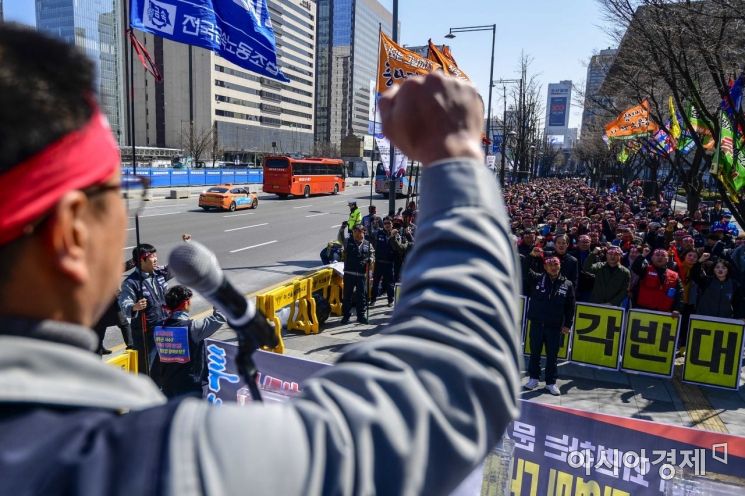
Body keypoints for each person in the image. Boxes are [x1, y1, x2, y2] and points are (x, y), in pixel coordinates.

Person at [0, 27, 520, 495]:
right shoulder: (146, 465)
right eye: (121, 192)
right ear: (71, 233)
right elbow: (453, 392)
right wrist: (454, 155)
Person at [155, 286, 227, 398]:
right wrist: (216, 299)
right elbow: (220, 317)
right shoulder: (193, 328)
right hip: (190, 387)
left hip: (168, 385)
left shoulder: (159, 327)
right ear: (185, 303)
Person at [118, 243, 173, 377]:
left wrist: (186, 247)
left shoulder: (160, 273)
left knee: (167, 363)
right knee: (148, 367)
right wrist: (134, 307)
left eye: (155, 256)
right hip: (146, 332)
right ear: (142, 260)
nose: (156, 259)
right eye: (152, 256)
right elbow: (124, 304)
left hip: (165, 327)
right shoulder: (131, 282)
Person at [524, 254, 575, 396]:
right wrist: (531, 256)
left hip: (555, 327)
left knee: (552, 356)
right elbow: (524, 269)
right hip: (537, 324)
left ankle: (550, 382)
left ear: (560, 266)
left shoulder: (567, 284)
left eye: (556, 265)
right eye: (550, 265)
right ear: (545, 267)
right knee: (534, 353)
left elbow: (570, 307)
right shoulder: (537, 279)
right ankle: (533, 378)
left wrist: (567, 325)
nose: (553, 268)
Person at [337, 223, 375, 324]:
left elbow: (372, 254)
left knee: (361, 296)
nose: (358, 234)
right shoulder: (347, 241)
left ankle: (361, 316)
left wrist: (370, 260)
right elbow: (340, 238)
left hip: (362, 275)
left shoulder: (368, 244)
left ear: (364, 232)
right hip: (349, 274)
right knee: (347, 296)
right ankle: (346, 316)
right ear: (353, 232)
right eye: (355, 232)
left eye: (360, 232)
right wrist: (342, 229)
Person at [371, 217, 405, 307]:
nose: (387, 225)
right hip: (379, 262)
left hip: (389, 263)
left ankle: (390, 300)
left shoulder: (396, 235)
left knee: (390, 283)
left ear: (392, 224)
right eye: (385, 223)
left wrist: (393, 236)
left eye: (389, 223)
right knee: (375, 282)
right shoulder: (378, 233)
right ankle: (373, 299)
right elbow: (370, 238)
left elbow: (399, 248)